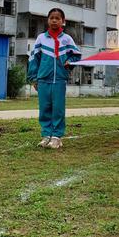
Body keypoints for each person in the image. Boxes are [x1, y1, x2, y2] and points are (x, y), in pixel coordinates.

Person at [27, 8, 81, 149]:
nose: (54, 20)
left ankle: (56, 137)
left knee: (58, 109)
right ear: (48, 20)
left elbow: (76, 55)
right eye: (52, 17)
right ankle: (46, 135)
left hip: (59, 79)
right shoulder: (41, 38)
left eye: (58, 18)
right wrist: (33, 78)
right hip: (43, 79)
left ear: (63, 21)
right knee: (44, 108)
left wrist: (69, 63)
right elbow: (34, 59)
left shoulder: (67, 39)